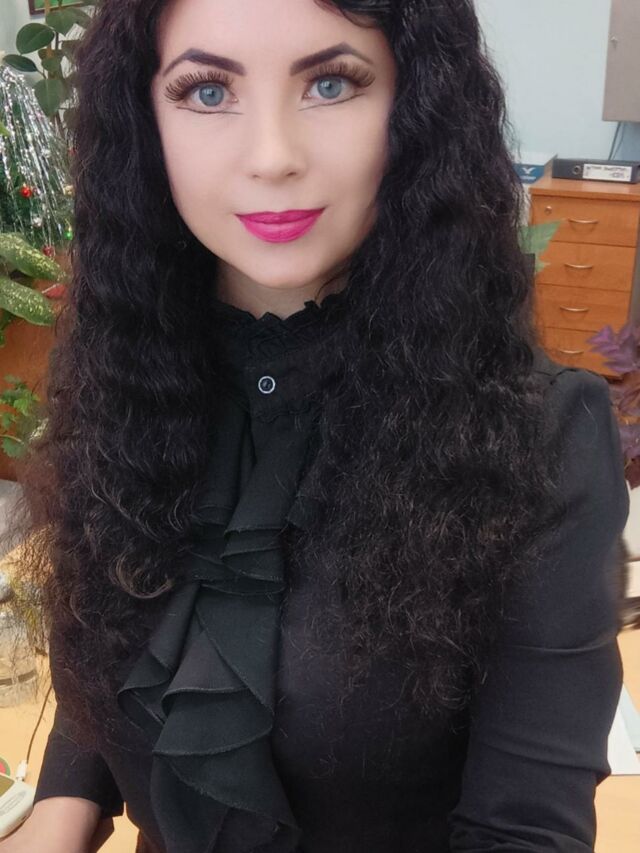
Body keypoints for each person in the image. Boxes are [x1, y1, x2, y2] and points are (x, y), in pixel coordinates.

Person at [0, 0, 630, 851]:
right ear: (145, 121)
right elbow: (122, 614)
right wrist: (61, 805)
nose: (273, 157)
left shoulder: (541, 435)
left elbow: (526, 831)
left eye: (331, 84)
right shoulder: (121, 373)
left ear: (416, 106)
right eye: (207, 91)